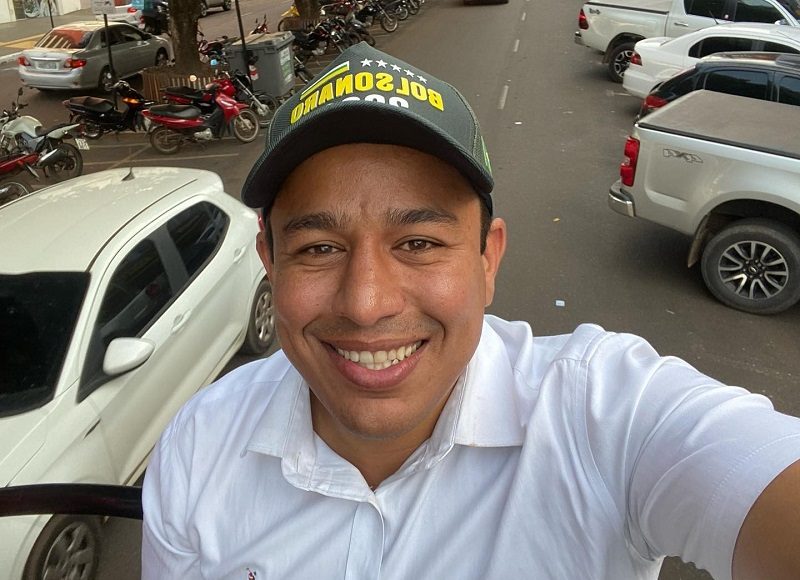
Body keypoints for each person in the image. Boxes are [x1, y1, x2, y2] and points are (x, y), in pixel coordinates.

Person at [141, 43, 800, 579]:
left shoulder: (606, 418)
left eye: (419, 243)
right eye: (319, 248)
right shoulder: (200, 445)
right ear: (270, 261)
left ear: (488, 260)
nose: (366, 305)